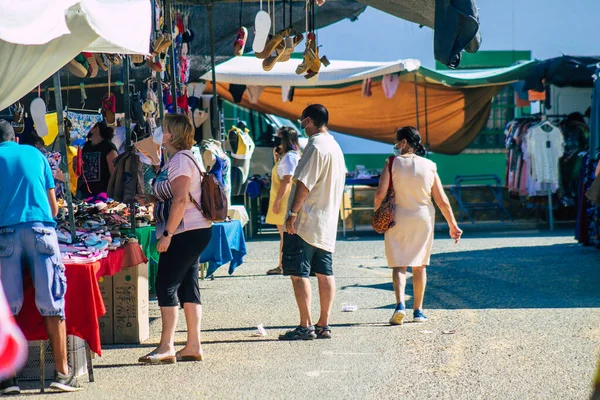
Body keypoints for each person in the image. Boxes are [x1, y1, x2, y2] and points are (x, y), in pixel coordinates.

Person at [0, 120, 82, 393]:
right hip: (41, 232)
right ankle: (62, 373)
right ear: (16, 139)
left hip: (6, 235)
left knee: (7, 308)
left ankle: (9, 379)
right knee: (52, 303)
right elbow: (54, 208)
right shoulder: (36, 155)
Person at [137, 114, 212, 364]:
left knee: (166, 284)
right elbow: (175, 195)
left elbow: (181, 200)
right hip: (193, 230)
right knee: (188, 285)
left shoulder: (180, 160)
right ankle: (193, 345)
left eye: (164, 128)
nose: (159, 131)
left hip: (184, 231)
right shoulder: (179, 160)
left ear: (172, 135)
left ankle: (166, 346)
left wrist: (167, 234)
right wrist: (152, 199)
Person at [374, 126, 462, 326]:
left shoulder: (391, 163)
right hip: (423, 217)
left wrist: (377, 213)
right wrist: (452, 225)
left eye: (397, 141)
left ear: (404, 142)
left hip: (397, 217)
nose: (395, 146)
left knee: (399, 263)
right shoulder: (430, 165)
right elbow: (441, 200)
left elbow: (380, 193)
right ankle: (418, 311)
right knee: (419, 265)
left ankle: (399, 306)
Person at [279, 105, 346, 341]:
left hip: (307, 220)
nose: (301, 125)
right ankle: (324, 324)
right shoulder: (335, 146)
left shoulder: (315, 145)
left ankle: (305, 325)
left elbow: (304, 183)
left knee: (299, 273)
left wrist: (293, 213)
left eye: (302, 121)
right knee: (325, 272)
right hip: (326, 222)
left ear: (309, 121)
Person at [265, 127, 302, 275]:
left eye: (278, 137)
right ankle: (282, 263)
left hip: (283, 199)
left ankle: (283, 265)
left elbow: (287, 180)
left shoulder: (289, 157)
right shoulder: (289, 156)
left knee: (284, 235)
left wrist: (277, 202)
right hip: (281, 198)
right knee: (284, 235)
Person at [76, 120, 118, 199]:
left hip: (103, 194)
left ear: (96, 128)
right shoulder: (86, 146)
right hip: (85, 193)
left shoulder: (108, 147)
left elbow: (114, 172)